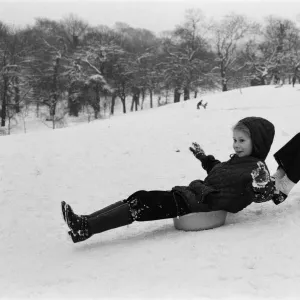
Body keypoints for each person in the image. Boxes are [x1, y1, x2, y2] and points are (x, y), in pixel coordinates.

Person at [61, 116, 286, 243]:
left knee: (142, 203)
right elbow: (217, 170)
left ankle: (86, 227)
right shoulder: (235, 162)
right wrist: (203, 157)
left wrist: (261, 186)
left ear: (256, 142)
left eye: (242, 140)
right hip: (191, 196)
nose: (236, 145)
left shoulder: (257, 169)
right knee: (138, 197)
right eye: (235, 139)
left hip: (198, 204)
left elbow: (261, 194)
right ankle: (85, 223)